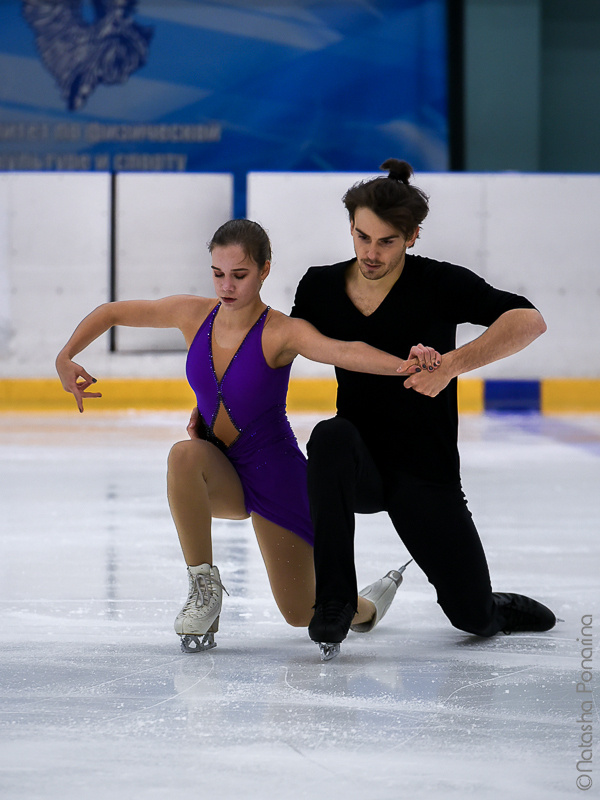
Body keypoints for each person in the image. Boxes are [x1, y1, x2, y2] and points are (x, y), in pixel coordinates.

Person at [55, 218, 440, 653]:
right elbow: (112, 312)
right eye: (218, 274)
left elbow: (344, 351)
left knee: (301, 613)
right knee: (184, 456)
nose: (227, 286)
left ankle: (367, 606)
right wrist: (66, 356)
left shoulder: (282, 331)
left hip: (276, 477)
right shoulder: (193, 314)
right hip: (223, 471)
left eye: (239, 275)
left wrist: (405, 366)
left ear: (264, 270)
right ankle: (204, 589)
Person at [289, 158, 557, 659]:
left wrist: (450, 365)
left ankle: (491, 605)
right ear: (350, 227)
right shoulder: (319, 286)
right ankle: (334, 603)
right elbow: (283, 346)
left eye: (386, 241)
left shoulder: (439, 283)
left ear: (412, 237)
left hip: (425, 473)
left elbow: (529, 320)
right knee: (330, 436)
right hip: (359, 466)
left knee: (473, 620)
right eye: (362, 236)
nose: (371, 252)